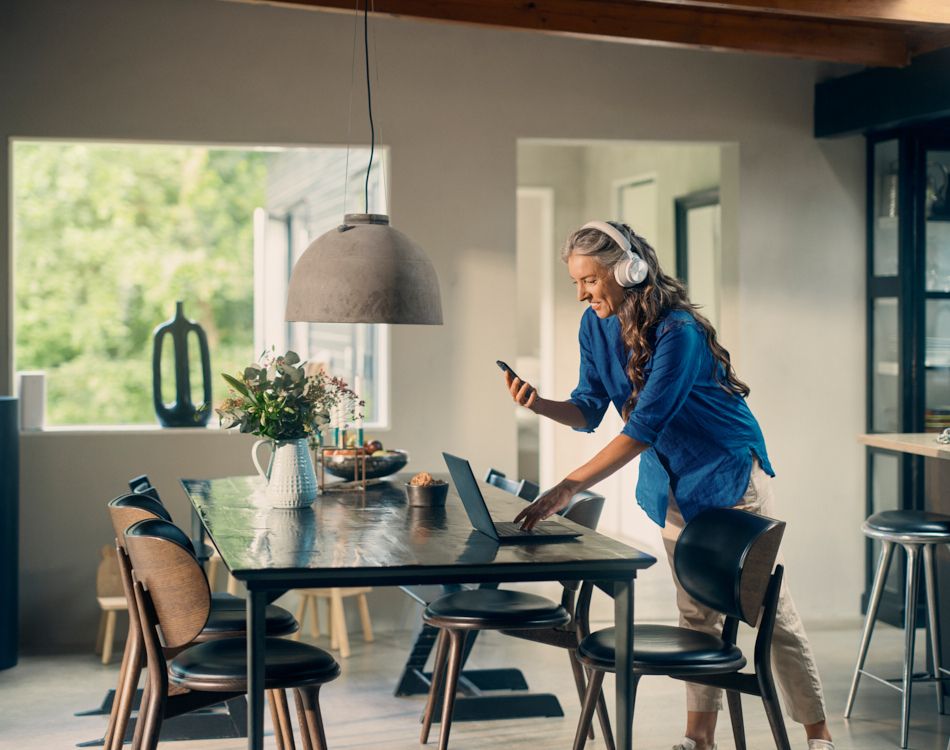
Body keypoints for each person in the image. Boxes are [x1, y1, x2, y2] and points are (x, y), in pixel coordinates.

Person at [508, 220, 834, 750]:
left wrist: (565, 487)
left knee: (765, 609)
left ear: (626, 270)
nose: (581, 294)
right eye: (575, 282)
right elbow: (589, 407)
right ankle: (698, 739)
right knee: (694, 610)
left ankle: (818, 735)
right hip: (674, 482)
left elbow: (642, 429)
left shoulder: (676, 331)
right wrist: (537, 403)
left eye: (589, 280)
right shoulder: (595, 326)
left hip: (728, 476)